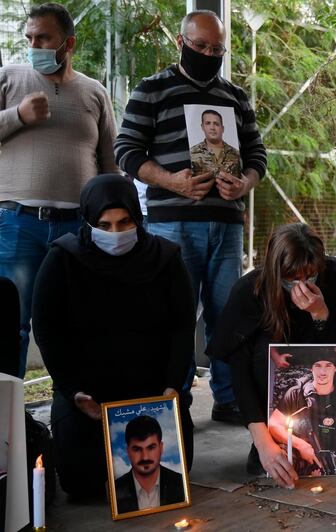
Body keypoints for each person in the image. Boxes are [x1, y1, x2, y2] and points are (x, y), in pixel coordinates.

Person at [115, 10, 267, 424]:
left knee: (228, 314)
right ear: (180, 43)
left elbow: (257, 155)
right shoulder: (152, 89)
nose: (208, 54)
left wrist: (246, 183)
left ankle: (230, 398)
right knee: (174, 315)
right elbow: (125, 151)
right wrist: (171, 181)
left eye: (217, 48)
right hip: (171, 224)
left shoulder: (235, 96)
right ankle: (175, 398)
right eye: (200, 46)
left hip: (227, 223)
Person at [31, 174, 195, 498]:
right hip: (89, 398)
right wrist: (72, 389)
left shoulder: (165, 259)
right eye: (104, 225)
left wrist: (172, 385)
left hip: (151, 393)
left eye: (125, 222)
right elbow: (47, 330)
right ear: (88, 221)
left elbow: (182, 326)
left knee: (170, 480)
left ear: (138, 217)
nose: (116, 233)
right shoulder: (62, 259)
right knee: (82, 486)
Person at [0, 2, 118, 378]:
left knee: (78, 327)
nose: (34, 45)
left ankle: (72, 416)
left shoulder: (94, 92)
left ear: (69, 44)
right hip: (17, 224)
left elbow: (111, 163)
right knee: (10, 327)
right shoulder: (9, 78)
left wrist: (113, 220)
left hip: (78, 229)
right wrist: (18, 115)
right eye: (30, 37)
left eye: (44, 37)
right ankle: (10, 428)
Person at [206, 223, 336, 489]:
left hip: (316, 359)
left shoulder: (334, 273)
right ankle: (269, 439)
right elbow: (239, 368)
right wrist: (262, 440)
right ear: (275, 270)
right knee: (260, 354)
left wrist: (320, 314)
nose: (301, 285)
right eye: (292, 278)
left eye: (310, 276)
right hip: (268, 373)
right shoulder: (250, 289)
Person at [273, 348, 336, 476]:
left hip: (332, 457)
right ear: (311, 369)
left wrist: (330, 467)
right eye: (317, 366)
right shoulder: (296, 393)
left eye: (328, 366)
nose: (323, 371)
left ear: (335, 369)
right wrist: (301, 445)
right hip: (298, 454)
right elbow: (274, 425)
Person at [114, 415, 186, 514]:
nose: (145, 457)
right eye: (137, 449)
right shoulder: (115, 490)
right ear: (128, 452)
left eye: (151, 447)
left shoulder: (181, 484)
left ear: (161, 448)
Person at [190, 109, 241, 177]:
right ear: (202, 127)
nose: (212, 128)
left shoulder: (236, 153)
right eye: (208, 123)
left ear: (222, 128)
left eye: (216, 124)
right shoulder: (192, 152)